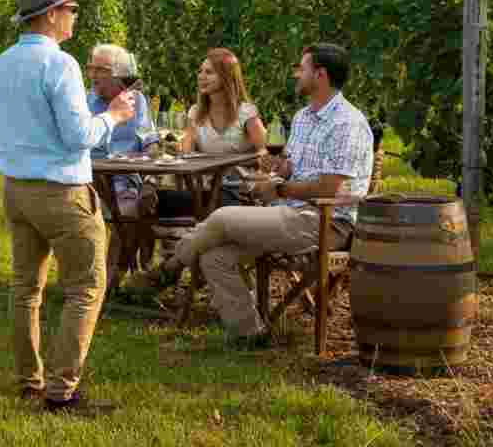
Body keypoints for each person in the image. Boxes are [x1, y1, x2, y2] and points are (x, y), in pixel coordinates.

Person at [127, 43, 373, 348]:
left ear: (320, 75)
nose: (296, 74)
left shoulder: (347, 123)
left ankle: (167, 270)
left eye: (302, 68)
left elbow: (330, 189)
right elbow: (291, 168)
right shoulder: (303, 117)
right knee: (214, 257)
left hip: (326, 221)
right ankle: (250, 336)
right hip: (286, 212)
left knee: (222, 218)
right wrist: (275, 171)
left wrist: (279, 189)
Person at [0, 0, 136, 416]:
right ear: (51, 15)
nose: (75, 15)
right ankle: (62, 392)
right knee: (86, 287)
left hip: (16, 190)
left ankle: (29, 382)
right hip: (61, 192)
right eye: (71, 9)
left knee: (25, 288)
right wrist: (114, 115)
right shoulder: (61, 64)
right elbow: (78, 137)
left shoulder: (2, 63)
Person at [86, 44, 193, 293]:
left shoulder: (138, 101)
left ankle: (114, 280)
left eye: (100, 69)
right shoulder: (83, 102)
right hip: (92, 183)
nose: (92, 75)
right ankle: (113, 279)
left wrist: (150, 182)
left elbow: (150, 142)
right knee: (129, 216)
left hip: (127, 182)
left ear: (120, 73)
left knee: (140, 207)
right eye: (90, 68)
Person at [180, 47, 268, 205]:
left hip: (238, 189)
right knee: (162, 201)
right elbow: (186, 154)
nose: (201, 76)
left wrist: (234, 165)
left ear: (227, 77)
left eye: (209, 72)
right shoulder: (195, 113)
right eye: (200, 71)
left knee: (217, 202)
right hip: (204, 188)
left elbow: (264, 152)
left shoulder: (246, 112)